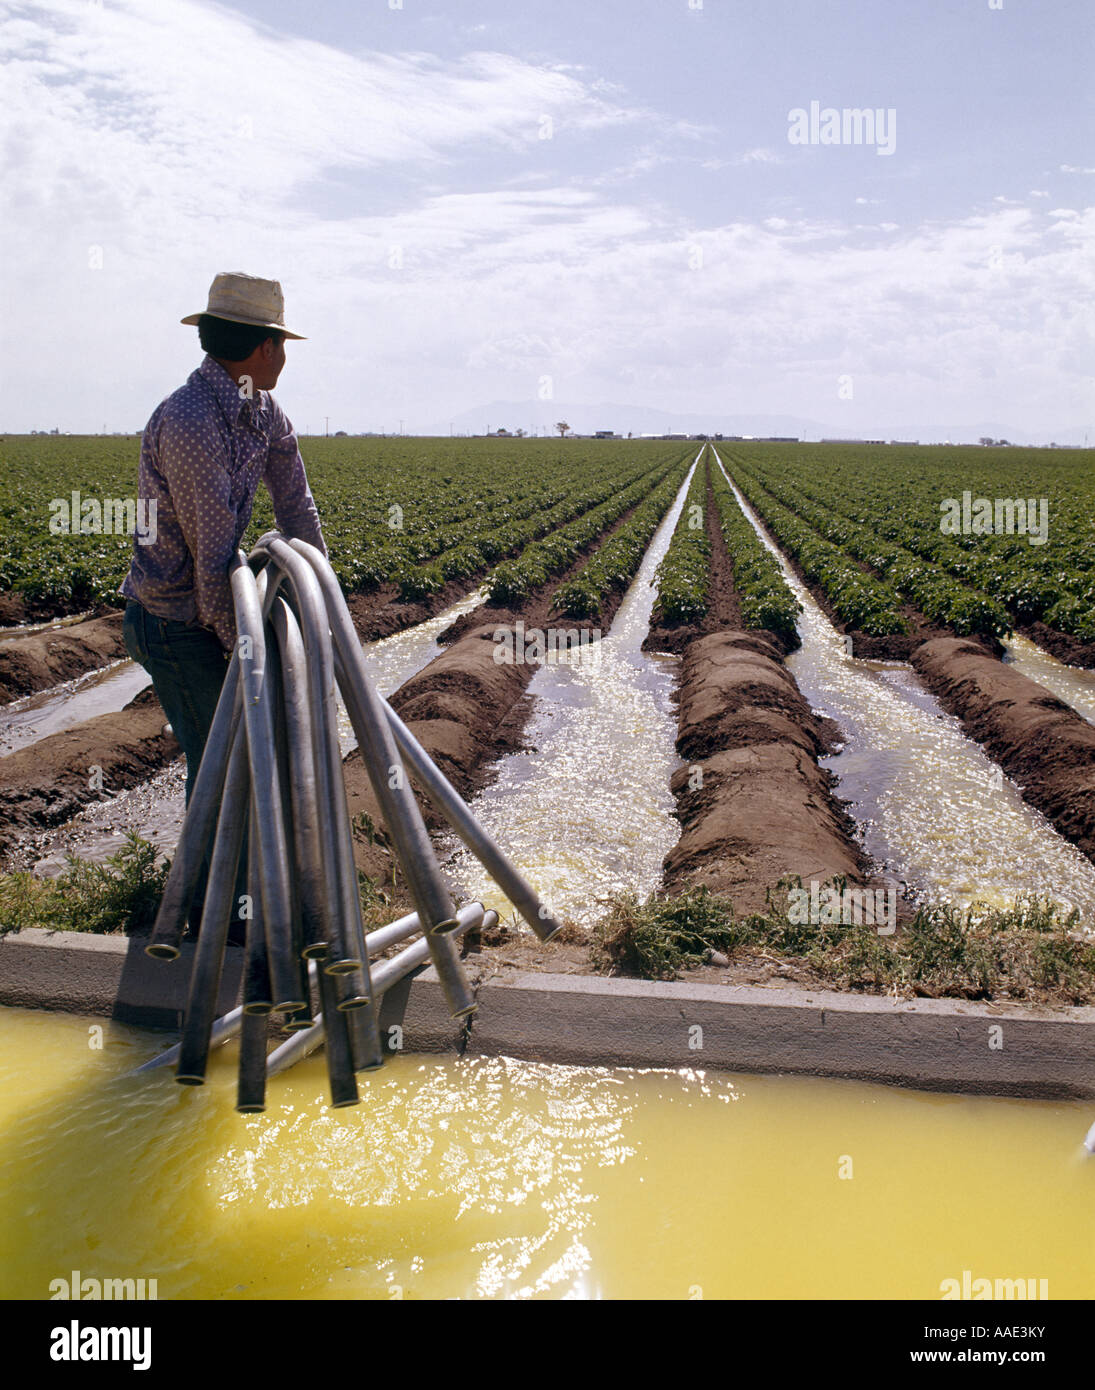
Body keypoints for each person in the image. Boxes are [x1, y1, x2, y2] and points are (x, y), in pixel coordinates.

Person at [121, 272, 328, 934]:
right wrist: (239, 643)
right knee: (224, 763)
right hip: (175, 622)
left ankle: (242, 908)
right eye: (283, 343)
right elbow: (213, 559)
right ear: (265, 347)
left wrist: (322, 596)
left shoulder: (262, 414)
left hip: (214, 613)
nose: (286, 357)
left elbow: (296, 504)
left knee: (248, 753)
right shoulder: (190, 421)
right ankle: (216, 924)